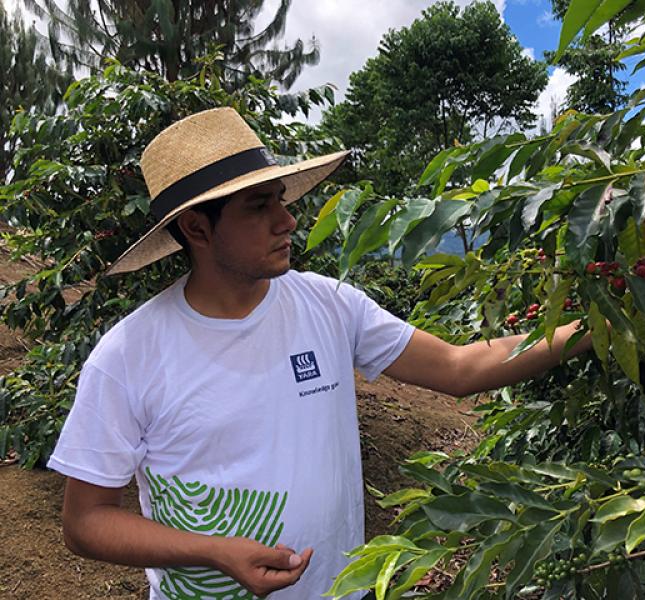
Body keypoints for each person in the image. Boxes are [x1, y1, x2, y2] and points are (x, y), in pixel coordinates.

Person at [47, 107, 592, 600]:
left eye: (281, 200)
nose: (287, 221)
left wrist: (599, 324)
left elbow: (458, 367)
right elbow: (86, 521)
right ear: (196, 228)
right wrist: (212, 550)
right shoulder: (129, 355)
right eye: (260, 206)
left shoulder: (329, 306)